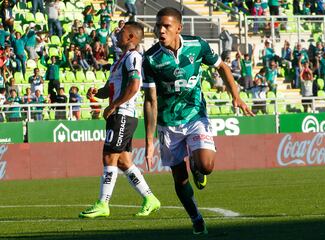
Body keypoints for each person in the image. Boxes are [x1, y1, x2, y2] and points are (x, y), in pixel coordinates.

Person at [142, 7, 253, 235]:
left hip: (195, 115)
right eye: (158, 26)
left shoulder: (197, 45)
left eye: (166, 26)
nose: (161, 30)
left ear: (179, 28)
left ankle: (197, 165)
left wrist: (236, 96)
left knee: (206, 166)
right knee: (179, 178)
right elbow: (150, 100)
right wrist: (149, 140)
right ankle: (196, 217)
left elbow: (221, 67)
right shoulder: (151, 58)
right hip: (168, 122)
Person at [79, 21, 160, 219]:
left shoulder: (133, 57)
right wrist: (98, 92)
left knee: (109, 156)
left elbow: (134, 85)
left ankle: (103, 203)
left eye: (122, 32)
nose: (117, 34)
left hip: (123, 113)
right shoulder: (120, 59)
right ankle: (150, 199)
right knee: (123, 161)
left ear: (131, 37)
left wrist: (114, 105)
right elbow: (110, 88)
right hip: (120, 114)